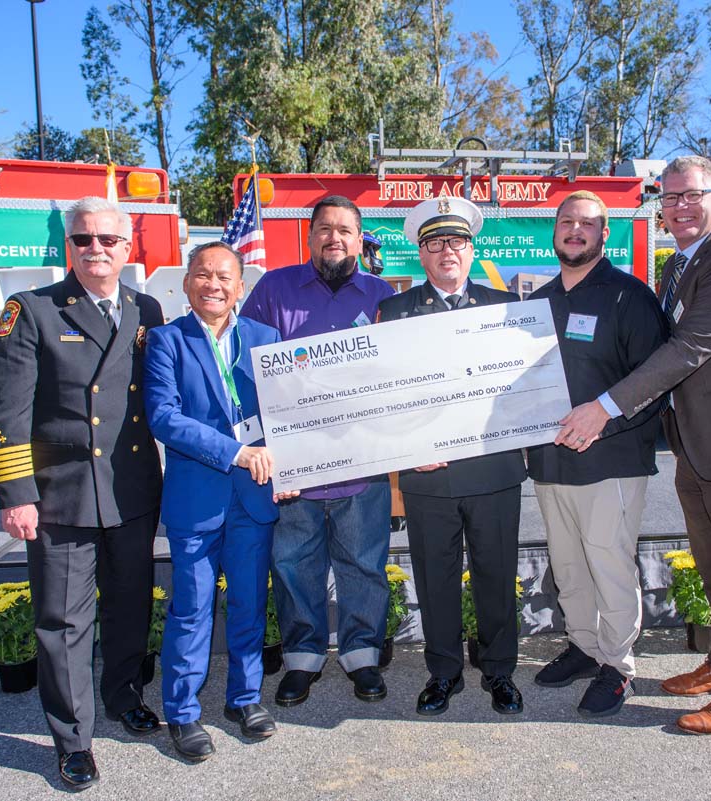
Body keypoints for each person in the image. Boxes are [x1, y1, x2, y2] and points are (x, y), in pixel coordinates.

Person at [555, 156, 711, 734]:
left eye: (693, 195)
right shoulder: (678, 265)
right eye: (670, 198)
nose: (681, 206)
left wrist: (605, 407)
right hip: (696, 441)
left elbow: (686, 350)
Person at [0, 196, 165, 789]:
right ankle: (72, 739)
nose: (96, 249)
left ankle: (123, 697)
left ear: (127, 247)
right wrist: (15, 494)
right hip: (59, 494)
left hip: (132, 489)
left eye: (108, 240)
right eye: (83, 239)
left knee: (130, 603)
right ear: (69, 246)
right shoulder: (31, 310)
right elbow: (4, 412)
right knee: (63, 623)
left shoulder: (148, 310)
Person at [239, 195, 397, 707]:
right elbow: (245, 371)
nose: (334, 238)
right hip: (294, 467)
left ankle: (362, 656)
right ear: (309, 237)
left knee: (364, 564)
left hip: (362, 464)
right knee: (294, 564)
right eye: (324, 229)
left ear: (359, 238)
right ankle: (302, 659)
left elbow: (401, 376)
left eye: (345, 230)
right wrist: (263, 449)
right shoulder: (272, 289)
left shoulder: (381, 295)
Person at [143, 242, 295, 761]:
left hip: (253, 498)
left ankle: (244, 699)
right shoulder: (166, 341)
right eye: (203, 275)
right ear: (187, 283)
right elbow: (164, 417)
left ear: (240, 287)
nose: (214, 285)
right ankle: (182, 712)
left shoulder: (266, 339)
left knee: (251, 603)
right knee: (192, 608)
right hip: (197, 499)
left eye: (224, 277)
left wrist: (293, 464)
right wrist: (235, 452)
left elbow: (286, 412)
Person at [377, 197, 526, 717]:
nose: (447, 251)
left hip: (493, 470)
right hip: (427, 475)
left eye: (456, 241)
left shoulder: (505, 307)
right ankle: (443, 674)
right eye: (435, 242)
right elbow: (383, 393)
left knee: (496, 572)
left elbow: (525, 385)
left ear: (471, 248)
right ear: (420, 253)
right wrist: (406, 445)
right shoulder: (394, 313)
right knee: (434, 578)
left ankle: (500, 672)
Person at [526, 190, 669, 717]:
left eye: (588, 223)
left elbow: (653, 383)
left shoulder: (629, 297)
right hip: (550, 463)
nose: (575, 230)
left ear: (605, 235)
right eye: (567, 222)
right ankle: (585, 646)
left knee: (609, 563)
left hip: (611, 463)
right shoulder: (537, 303)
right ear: (555, 232)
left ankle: (619, 663)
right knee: (567, 565)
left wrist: (600, 422)